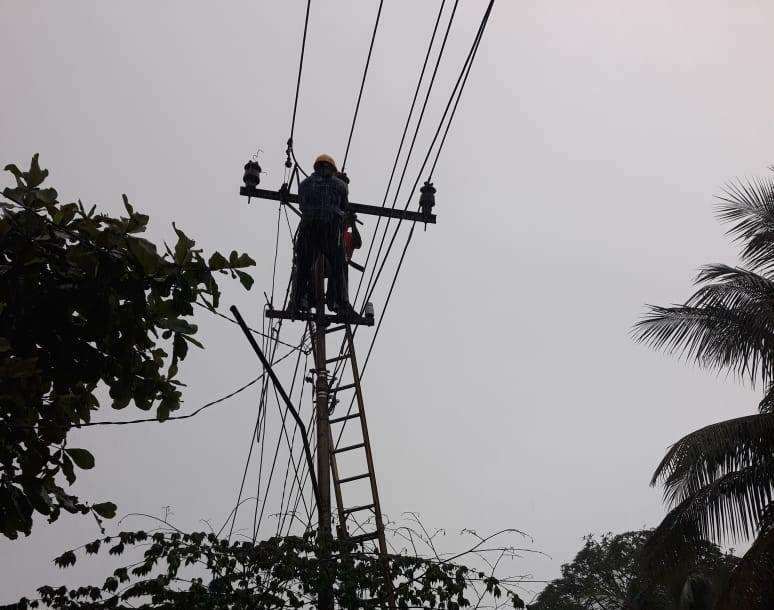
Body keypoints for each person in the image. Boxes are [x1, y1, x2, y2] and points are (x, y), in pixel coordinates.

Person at [292, 153, 352, 313]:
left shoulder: (304, 185)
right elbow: (345, 208)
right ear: (332, 169)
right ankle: (340, 303)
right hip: (330, 229)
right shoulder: (341, 186)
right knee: (338, 266)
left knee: (303, 266)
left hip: (308, 229)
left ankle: (299, 300)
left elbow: (302, 206)